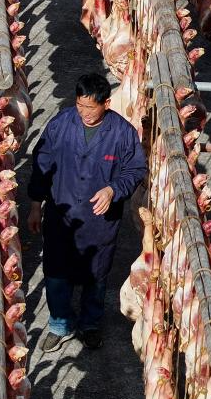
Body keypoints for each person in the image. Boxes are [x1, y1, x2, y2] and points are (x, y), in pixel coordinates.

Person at [28, 73, 147, 352]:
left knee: (96, 272)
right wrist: (34, 204)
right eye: (80, 105)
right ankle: (60, 324)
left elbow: (135, 170)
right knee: (56, 270)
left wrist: (113, 190)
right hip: (62, 213)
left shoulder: (122, 133)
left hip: (99, 220)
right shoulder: (61, 124)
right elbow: (42, 163)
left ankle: (90, 324)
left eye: (90, 107)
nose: (84, 113)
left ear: (106, 103)